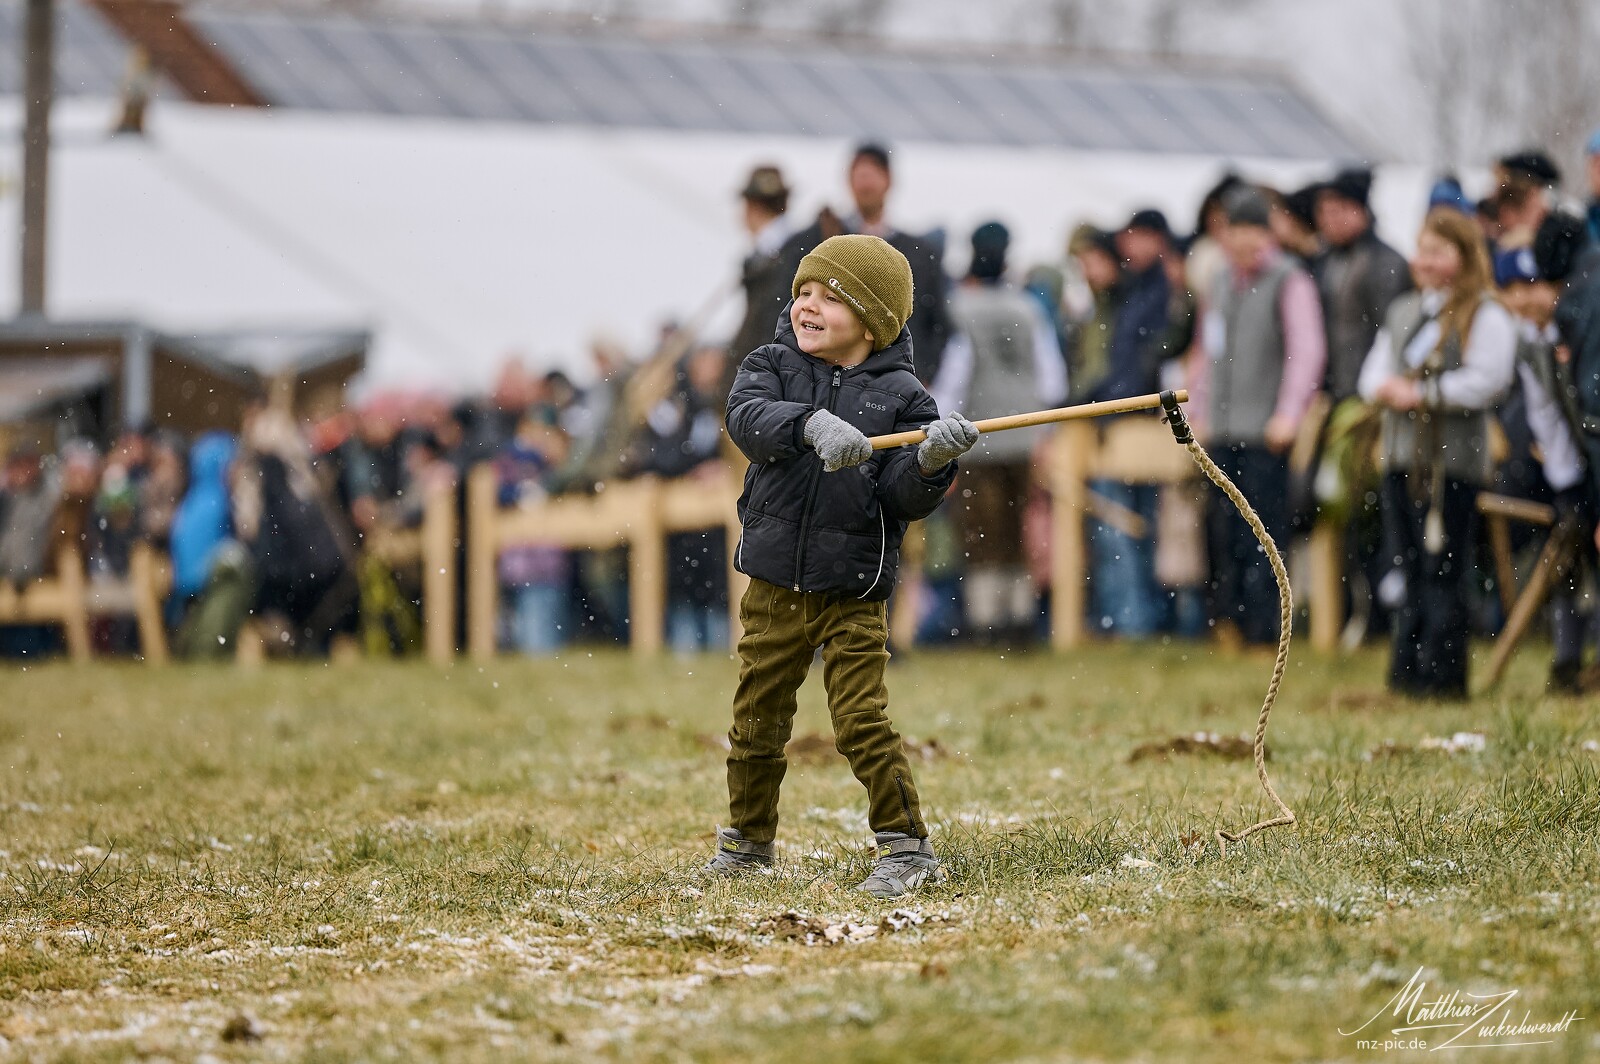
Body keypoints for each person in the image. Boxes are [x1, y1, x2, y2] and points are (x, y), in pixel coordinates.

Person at [706, 234, 977, 898]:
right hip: (774, 584)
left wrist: (932, 464)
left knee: (860, 720)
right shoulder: (769, 366)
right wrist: (808, 425)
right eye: (803, 291)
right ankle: (747, 845)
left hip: (855, 588)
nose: (807, 305)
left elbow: (900, 499)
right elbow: (747, 420)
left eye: (830, 297)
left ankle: (906, 848)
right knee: (757, 721)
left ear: (872, 319)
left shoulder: (904, 396)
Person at [1357, 208, 1517, 698]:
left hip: (1453, 464)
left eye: (1436, 251)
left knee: (1443, 568)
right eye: (1421, 249)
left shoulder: (1484, 312)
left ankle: (1443, 678)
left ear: (1464, 256)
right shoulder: (1408, 309)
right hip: (1403, 459)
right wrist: (1388, 390)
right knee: (1408, 566)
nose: (1423, 261)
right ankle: (1407, 675)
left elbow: (1490, 379)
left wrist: (1426, 395)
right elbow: (1373, 374)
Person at [1191, 186, 1327, 647]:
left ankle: (1266, 631)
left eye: (1253, 230)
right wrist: (1199, 410)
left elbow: (1306, 353)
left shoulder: (1291, 279)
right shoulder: (1219, 281)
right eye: (1236, 230)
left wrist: (1289, 414)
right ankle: (1229, 625)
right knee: (1222, 533)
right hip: (1223, 429)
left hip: (1267, 432)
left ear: (1267, 233)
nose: (1244, 241)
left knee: (1264, 536)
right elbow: (1205, 352)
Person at [931, 221, 1065, 644]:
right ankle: (1021, 618)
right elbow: (1052, 382)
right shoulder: (1029, 308)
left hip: (977, 438)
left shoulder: (959, 308)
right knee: (1017, 531)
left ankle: (986, 621)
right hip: (1024, 437)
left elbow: (955, 377)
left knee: (980, 534)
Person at [1499, 218, 1594, 691]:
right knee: (1571, 565)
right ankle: (1568, 660)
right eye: (1512, 288)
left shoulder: (1579, 321)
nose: (1526, 299)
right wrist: (1569, 483)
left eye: (1534, 285)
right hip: (1578, 463)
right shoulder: (1531, 343)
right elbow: (1547, 416)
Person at [779, 143, 952, 384]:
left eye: (871, 176)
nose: (864, 185)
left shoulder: (919, 253)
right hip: (829, 378)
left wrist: (923, 373)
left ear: (889, 181)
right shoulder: (820, 239)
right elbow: (788, 304)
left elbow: (937, 322)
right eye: (858, 177)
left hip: (898, 380)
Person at [730, 165, 796, 379]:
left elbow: (766, 323)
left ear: (752, 207)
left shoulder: (776, 256)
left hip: (768, 371)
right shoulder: (792, 248)